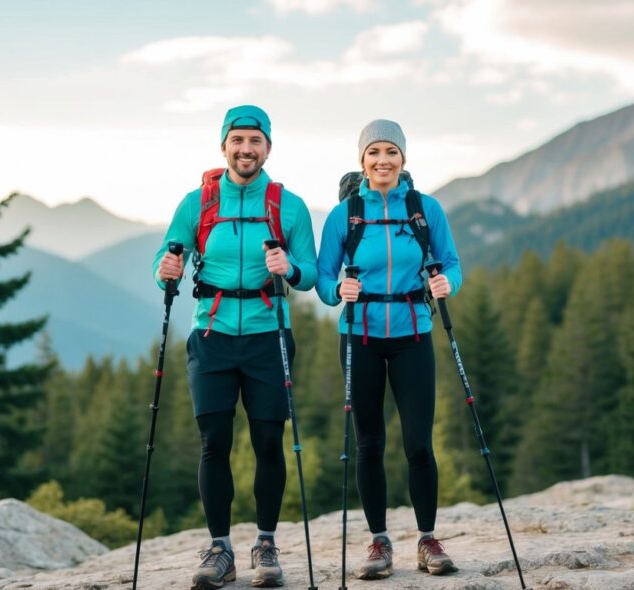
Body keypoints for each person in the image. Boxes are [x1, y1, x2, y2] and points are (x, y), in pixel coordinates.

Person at [153, 105, 318, 590]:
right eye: (238, 140)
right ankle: (220, 548)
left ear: (268, 147)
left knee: (268, 442)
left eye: (255, 141)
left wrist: (288, 267)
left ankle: (265, 545)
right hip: (212, 338)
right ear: (223, 145)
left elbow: (309, 274)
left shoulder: (288, 206)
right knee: (214, 444)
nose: (246, 149)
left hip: (270, 336)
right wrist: (165, 267)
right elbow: (167, 256)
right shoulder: (197, 203)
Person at [315, 119, 463, 580]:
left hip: (413, 334)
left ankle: (427, 539)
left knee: (419, 443)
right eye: (374, 152)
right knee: (369, 444)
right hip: (358, 334)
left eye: (391, 152)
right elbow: (322, 279)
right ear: (362, 159)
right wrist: (340, 289)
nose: (383, 160)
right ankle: (378, 541)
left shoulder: (425, 208)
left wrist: (446, 283)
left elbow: (453, 264)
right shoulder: (346, 213)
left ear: (403, 158)